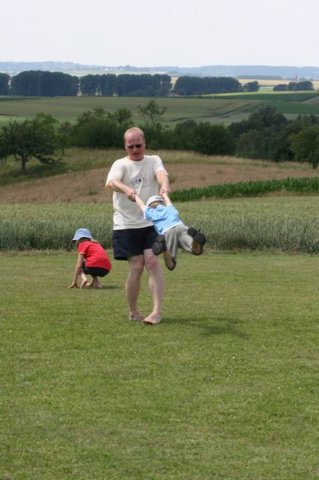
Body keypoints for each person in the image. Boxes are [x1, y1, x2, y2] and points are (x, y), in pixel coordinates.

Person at [105, 127, 170, 325]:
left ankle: (156, 312)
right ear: (125, 146)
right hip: (126, 224)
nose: (135, 150)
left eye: (138, 145)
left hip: (150, 221)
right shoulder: (120, 164)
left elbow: (161, 174)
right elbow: (111, 182)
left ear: (145, 143)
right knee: (137, 266)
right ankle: (133, 312)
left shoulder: (153, 160)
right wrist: (127, 190)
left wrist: (164, 185)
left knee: (152, 261)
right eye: (130, 146)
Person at [134, 192, 207, 271]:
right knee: (196, 251)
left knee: (171, 265)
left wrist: (135, 196)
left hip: (167, 232)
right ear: (162, 203)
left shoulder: (150, 212)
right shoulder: (169, 208)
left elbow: (141, 204)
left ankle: (164, 247)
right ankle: (196, 239)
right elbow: (168, 201)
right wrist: (164, 194)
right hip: (181, 227)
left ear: (150, 206)